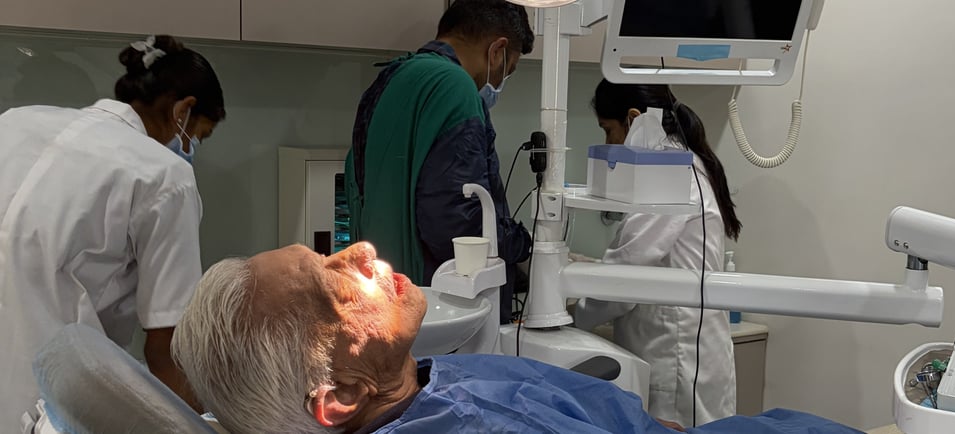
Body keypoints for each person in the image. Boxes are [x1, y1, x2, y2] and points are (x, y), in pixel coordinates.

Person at [170, 242, 862, 434]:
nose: (363, 251)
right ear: (341, 395)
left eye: (328, 251)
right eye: (335, 283)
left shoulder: (416, 383)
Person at [0, 34, 225, 427]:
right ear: (183, 111)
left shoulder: (15, 121)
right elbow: (168, 345)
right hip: (45, 405)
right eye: (199, 136)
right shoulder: (164, 176)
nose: (192, 147)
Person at [346, 0, 533, 324]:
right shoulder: (456, 88)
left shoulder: (390, 78)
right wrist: (522, 245)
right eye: (508, 69)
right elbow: (457, 225)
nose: (500, 80)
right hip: (440, 311)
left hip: (386, 300)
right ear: (497, 51)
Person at [576, 80, 744, 427]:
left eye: (608, 130)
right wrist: (588, 270)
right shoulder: (683, 163)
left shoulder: (671, 174)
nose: (609, 143)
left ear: (633, 118)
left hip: (676, 356)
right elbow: (642, 259)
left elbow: (626, 275)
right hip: (681, 349)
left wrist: (572, 310)